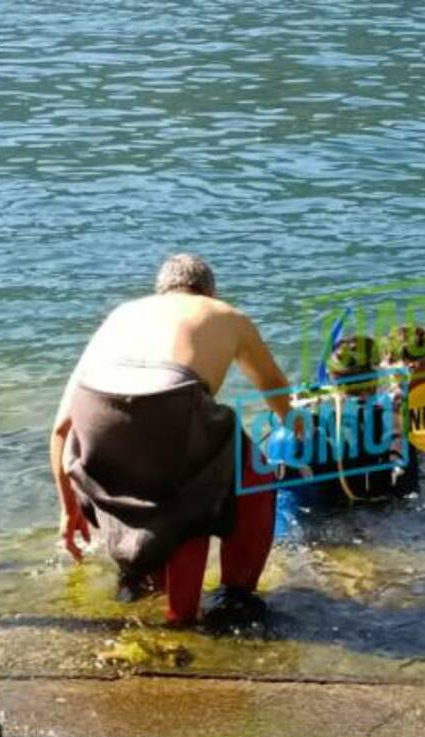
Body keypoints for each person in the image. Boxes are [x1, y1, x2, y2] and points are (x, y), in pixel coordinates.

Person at [49, 253, 292, 630]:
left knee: (158, 475)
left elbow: (61, 429)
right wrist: (300, 430)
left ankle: (138, 578)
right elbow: (275, 389)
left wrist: (69, 510)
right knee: (253, 472)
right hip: (173, 400)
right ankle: (235, 598)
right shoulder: (224, 313)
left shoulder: (121, 315)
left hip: (95, 409)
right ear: (210, 291)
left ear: (160, 291)